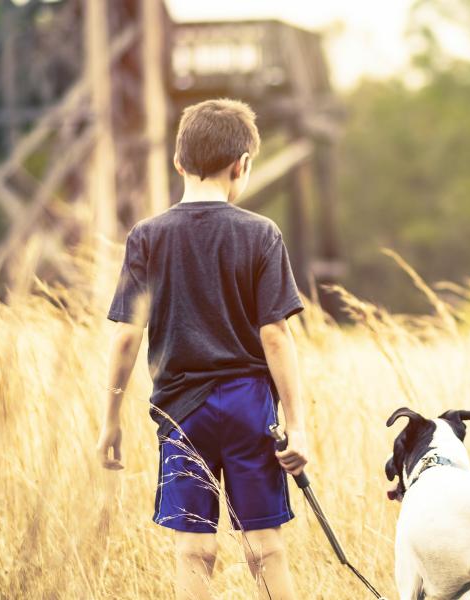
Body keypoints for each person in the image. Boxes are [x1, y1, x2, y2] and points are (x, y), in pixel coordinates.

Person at [95, 98, 309, 600]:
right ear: (242, 165)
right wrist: (298, 425)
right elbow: (275, 335)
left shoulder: (147, 236)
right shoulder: (261, 234)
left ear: (178, 163)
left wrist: (111, 418)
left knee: (194, 551)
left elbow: (126, 335)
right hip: (249, 407)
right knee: (265, 548)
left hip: (181, 413)